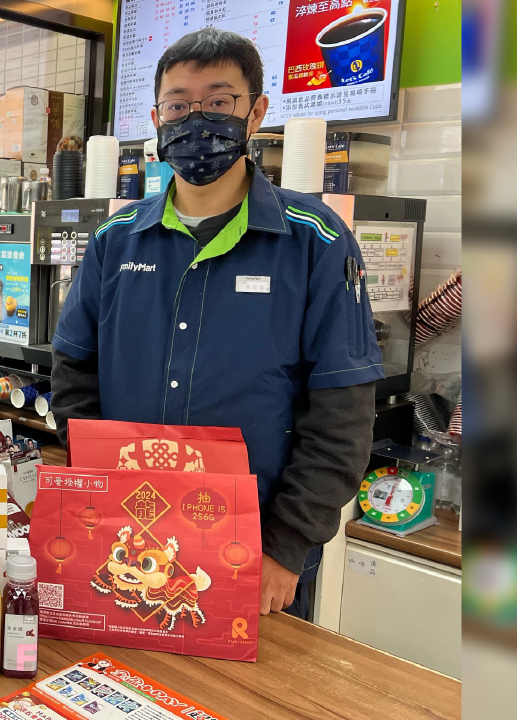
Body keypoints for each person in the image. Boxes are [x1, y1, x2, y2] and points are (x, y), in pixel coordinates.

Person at [50, 28, 381, 620]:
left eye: (219, 101)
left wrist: (284, 547)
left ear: (256, 111)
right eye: (179, 105)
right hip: (129, 538)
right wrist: (100, 496)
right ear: (157, 117)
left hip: (255, 551)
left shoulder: (316, 241)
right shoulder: (114, 242)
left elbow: (343, 412)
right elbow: (75, 377)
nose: (196, 120)